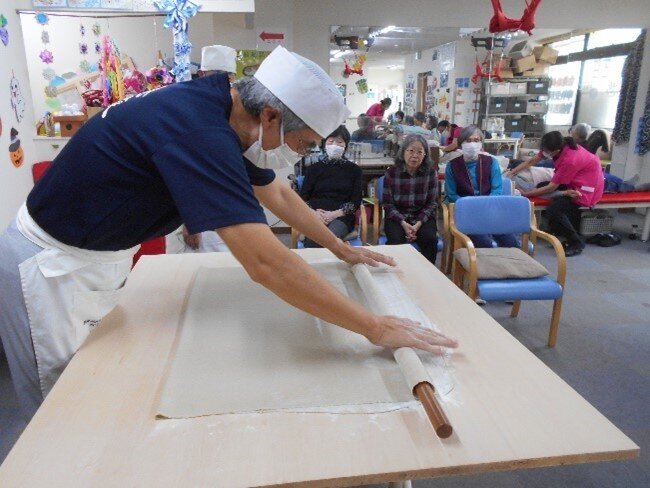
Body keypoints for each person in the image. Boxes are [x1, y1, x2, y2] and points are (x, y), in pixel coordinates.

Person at [0, 46, 457, 419]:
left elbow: (275, 193)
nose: (299, 158)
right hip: (50, 271)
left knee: (94, 394)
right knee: (59, 416)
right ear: (273, 116)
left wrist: (339, 247)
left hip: (96, 258)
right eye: (302, 146)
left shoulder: (220, 101)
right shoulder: (200, 130)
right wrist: (375, 327)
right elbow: (264, 262)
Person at [180, 44, 239, 253]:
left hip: (229, 209)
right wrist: (189, 223)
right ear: (202, 73)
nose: (223, 82)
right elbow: (182, 173)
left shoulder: (232, 110)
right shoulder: (188, 111)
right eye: (217, 75)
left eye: (229, 77)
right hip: (198, 214)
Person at [518, 131, 604, 256]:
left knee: (555, 209)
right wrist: (511, 172)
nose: (544, 152)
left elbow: (551, 187)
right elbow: (531, 161)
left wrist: (526, 194)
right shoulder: (557, 145)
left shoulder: (570, 160)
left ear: (557, 150)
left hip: (586, 188)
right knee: (542, 186)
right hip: (575, 180)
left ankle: (576, 242)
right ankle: (560, 230)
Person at [445, 125, 518, 249]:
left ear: (481, 144)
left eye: (476, 140)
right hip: (466, 212)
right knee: (483, 243)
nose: (472, 144)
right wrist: (471, 207)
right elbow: (451, 194)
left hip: (490, 210)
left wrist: (485, 207)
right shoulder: (452, 166)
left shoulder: (491, 162)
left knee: (510, 242)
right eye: (468, 141)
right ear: (461, 143)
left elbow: (497, 190)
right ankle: (481, 268)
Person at [299, 125, 362, 248]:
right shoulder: (313, 169)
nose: (335, 145)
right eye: (331, 141)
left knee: (328, 237)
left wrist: (333, 214)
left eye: (339, 142)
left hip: (341, 217)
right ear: (324, 144)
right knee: (314, 238)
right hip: (316, 215)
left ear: (346, 145)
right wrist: (314, 213)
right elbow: (303, 198)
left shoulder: (354, 170)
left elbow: (355, 202)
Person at [382, 134, 439, 265]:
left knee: (430, 239)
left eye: (420, 152)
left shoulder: (431, 173)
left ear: (425, 155)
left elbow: (432, 203)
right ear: (403, 152)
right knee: (395, 240)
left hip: (422, 215)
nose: (415, 155)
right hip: (397, 216)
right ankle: (397, 272)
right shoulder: (391, 173)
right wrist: (403, 223)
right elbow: (387, 204)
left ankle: (427, 273)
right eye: (411, 150)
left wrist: (418, 224)